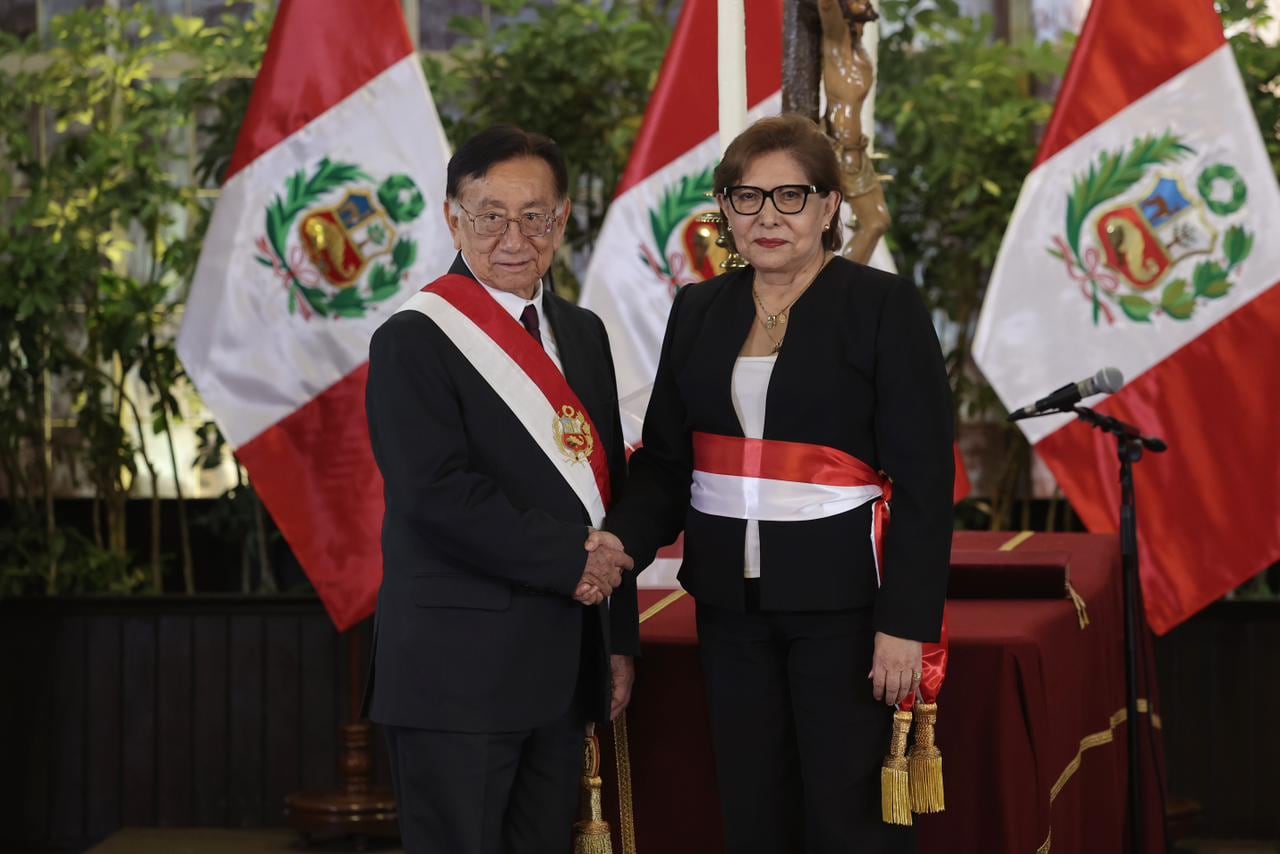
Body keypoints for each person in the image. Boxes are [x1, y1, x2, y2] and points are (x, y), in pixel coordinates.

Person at [592, 114, 954, 853]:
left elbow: (925, 482)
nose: (768, 217)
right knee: (753, 811)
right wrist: (617, 543)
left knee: (847, 817)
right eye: (747, 197)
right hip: (729, 608)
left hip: (845, 607)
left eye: (791, 196)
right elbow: (668, 464)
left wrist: (906, 624)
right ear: (725, 209)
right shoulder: (699, 309)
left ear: (829, 206)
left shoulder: (882, 307)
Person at [363, 124, 638, 854]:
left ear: (563, 219)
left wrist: (617, 640)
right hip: (456, 671)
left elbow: (604, 493)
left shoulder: (583, 334)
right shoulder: (413, 338)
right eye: (490, 216)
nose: (514, 238)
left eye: (535, 216)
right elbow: (435, 494)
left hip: (564, 665)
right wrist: (571, 560)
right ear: (453, 218)